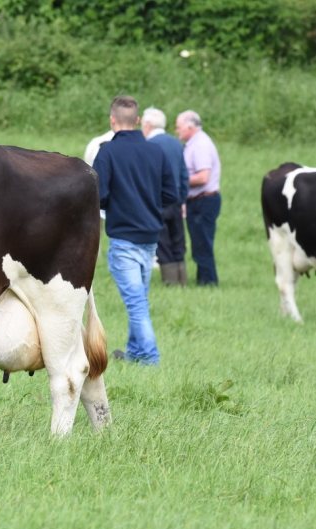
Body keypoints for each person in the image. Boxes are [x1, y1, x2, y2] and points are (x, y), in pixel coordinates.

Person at [93, 96, 178, 365]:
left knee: (136, 304)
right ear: (138, 121)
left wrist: (119, 203)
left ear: (112, 121)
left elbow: (99, 195)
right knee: (139, 297)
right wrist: (148, 206)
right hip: (150, 237)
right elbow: (171, 194)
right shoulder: (156, 151)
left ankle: (151, 358)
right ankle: (136, 353)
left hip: (124, 239)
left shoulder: (107, 152)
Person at [142, 107, 189, 286]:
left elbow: (146, 177)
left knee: (163, 242)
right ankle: (182, 280)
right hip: (175, 201)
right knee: (178, 240)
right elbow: (184, 175)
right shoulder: (176, 143)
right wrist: (182, 198)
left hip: (157, 202)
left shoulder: (148, 146)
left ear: (147, 125)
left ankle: (170, 282)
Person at [175, 110, 221, 286]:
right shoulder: (194, 143)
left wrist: (180, 181)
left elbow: (203, 177)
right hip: (199, 200)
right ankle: (204, 280)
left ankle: (208, 282)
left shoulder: (200, 144)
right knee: (199, 243)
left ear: (189, 126)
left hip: (204, 201)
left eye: (178, 127)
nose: (177, 130)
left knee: (202, 244)